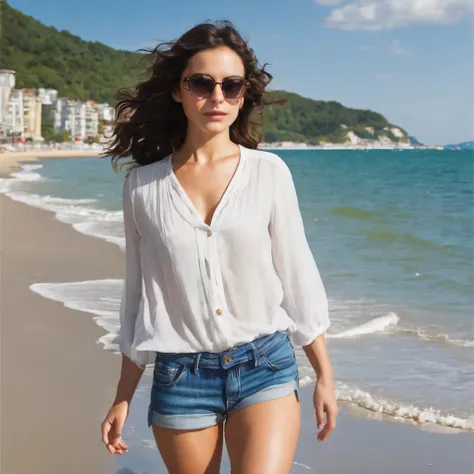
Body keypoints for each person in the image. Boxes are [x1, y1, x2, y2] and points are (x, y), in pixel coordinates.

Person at [101, 20, 338, 473]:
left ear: (243, 94)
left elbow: (298, 274)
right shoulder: (142, 186)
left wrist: (324, 374)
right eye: (201, 83)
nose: (217, 98)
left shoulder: (269, 173)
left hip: (263, 365)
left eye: (232, 86)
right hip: (180, 376)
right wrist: (122, 397)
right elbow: (138, 296)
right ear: (178, 91)